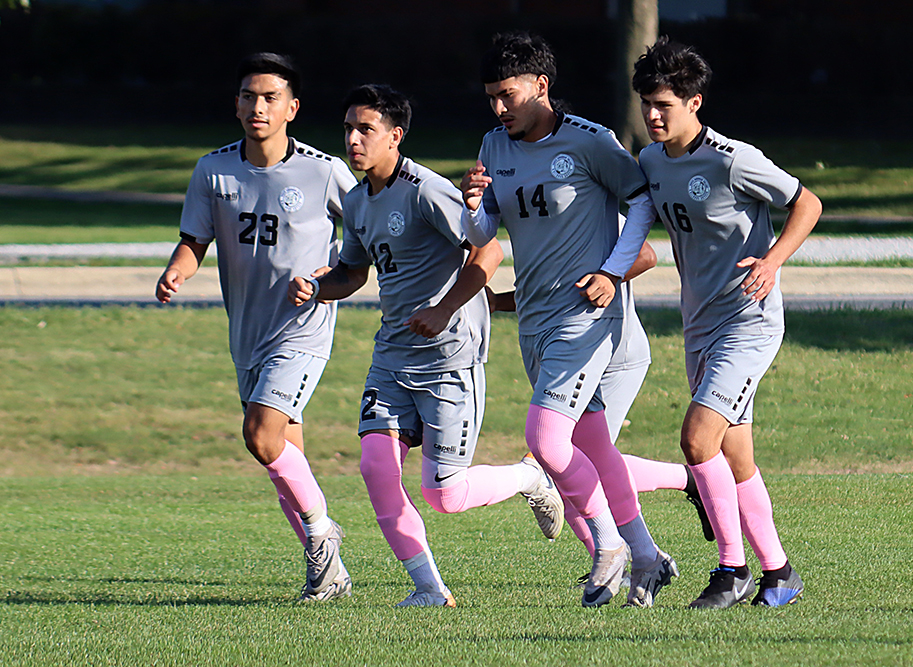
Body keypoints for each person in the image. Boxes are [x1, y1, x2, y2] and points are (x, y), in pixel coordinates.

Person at [288, 84, 564, 608]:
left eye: (364, 129)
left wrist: (443, 310)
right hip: (391, 356)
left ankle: (529, 475)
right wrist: (316, 287)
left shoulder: (425, 189)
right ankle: (429, 589)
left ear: (394, 136)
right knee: (376, 470)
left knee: (446, 496)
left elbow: (488, 253)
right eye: (348, 127)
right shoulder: (355, 198)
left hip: (449, 357)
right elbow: (352, 272)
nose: (352, 138)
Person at [601, 36, 823, 609]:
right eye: (646, 103)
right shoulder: (650, 161)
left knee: (698, 441)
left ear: (694, 103)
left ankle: (732, 569)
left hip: (748, 323)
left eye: (664, 105)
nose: (652, 115)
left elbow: (808, 203)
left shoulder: (732, 159)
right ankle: (780, 573)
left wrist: (773, 261)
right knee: (735, 456)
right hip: (698, 326)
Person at [460, 31, 676, 608]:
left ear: (541, 86)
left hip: (585, 315)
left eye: (508, 95)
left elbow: (642, 201)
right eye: (491, 98)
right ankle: (649, 557)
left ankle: (609, 547)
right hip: (534, 320)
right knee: (591, 445)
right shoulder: (493, 145)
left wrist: (612, 270)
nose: (499, 108)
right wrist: (474, 207)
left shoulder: (590, 142)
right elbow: (484, 237)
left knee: (544, 438)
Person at [155, 53, 358, 601]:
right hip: (247, 331)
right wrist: (177, 268)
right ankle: (328, 571)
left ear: (292, 108)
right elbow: (196, 241)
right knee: (281, 455)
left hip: (303, 327)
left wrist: (332, 275)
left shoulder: (322, 171)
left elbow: (367, 232)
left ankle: (322, 534)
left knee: (260, 435)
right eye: (248, 96)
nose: (257, 106)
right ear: (236, 104)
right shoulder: (212, 171)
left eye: (270, 97)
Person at [488, 241, 716, 569]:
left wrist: (605, 279)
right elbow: (551, 289)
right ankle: (622, 557)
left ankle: (624, 560)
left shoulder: (592, 201)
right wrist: (499, 301)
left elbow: (646, 255)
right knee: (577, 465)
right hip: (571, 352)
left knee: (572, 464)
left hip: (617, 354)